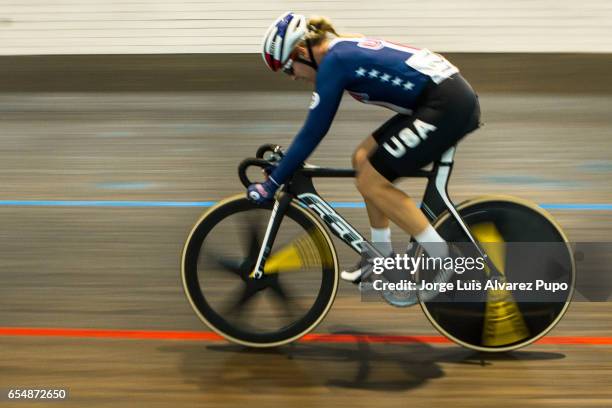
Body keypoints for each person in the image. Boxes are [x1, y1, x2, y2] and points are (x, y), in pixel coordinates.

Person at [248, 12, 481, 282]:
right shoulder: (338, 51)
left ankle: (443, 258)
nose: (291, 76)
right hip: (441, 97)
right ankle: (381, 257)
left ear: (302, 51)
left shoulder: (334, 63)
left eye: (288, 68)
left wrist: (272, 183)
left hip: (447, 104)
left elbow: (314, 131)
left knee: (371, 182)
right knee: (362, 158)